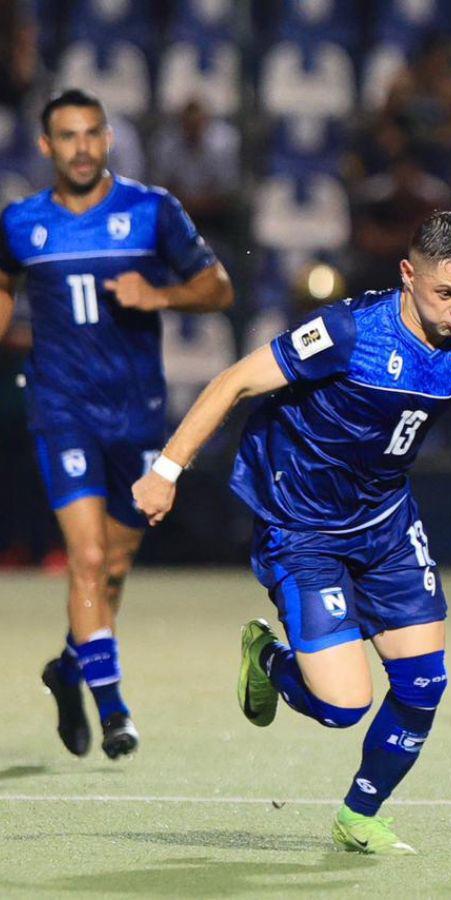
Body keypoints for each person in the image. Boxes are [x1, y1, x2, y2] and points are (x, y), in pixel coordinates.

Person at [132, 211, 451, 855]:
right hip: (303, 529)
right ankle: (268, 658)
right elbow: (234, 381)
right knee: (343, 707)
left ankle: (359, 816)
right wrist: (166, 471)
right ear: (408, 275)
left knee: (424, 686)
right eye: (447, 293)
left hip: (386, 526)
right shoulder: (348, 330)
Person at [0, 89, 234, 760]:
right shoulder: (20, 222)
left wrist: (158, 293)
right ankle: (114, 710)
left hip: (136, 414)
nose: (81, 148)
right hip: (61, 409)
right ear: (46, 145)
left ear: (108, 140)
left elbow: (219, 288)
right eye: (67, 136)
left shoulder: (151, 211)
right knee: (88, 558)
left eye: (92, 134)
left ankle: (68, 671)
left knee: (116, 565)